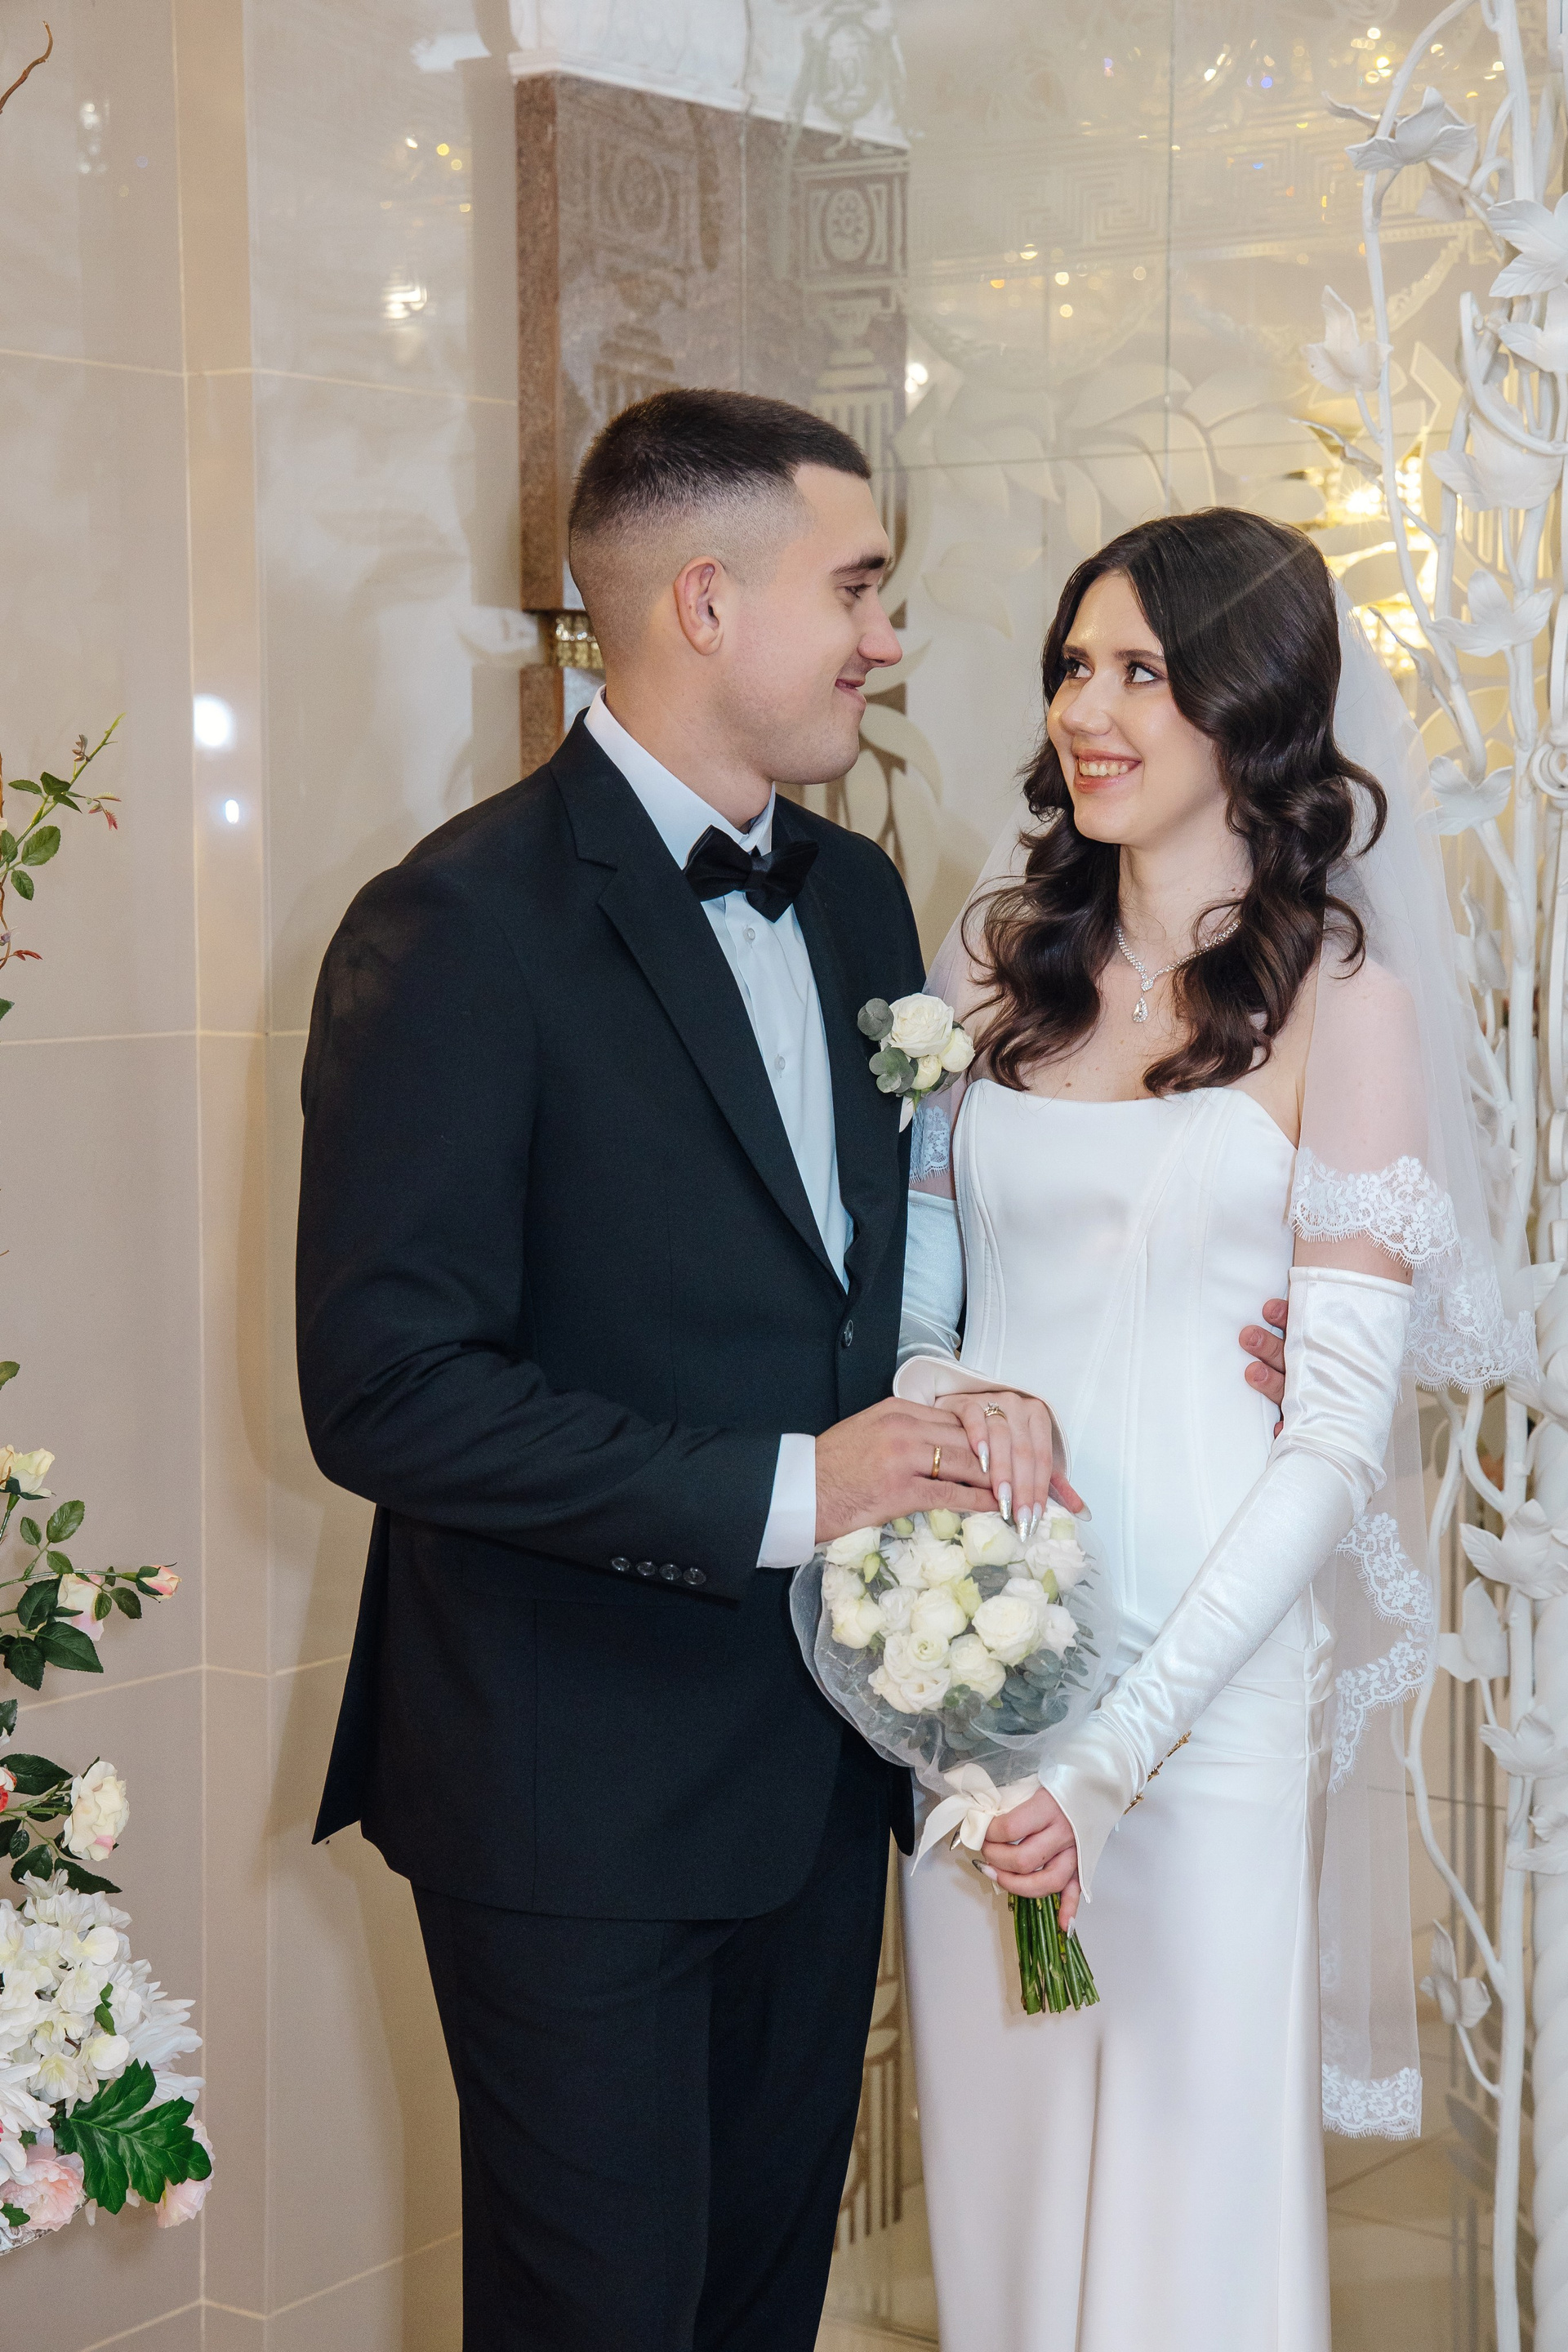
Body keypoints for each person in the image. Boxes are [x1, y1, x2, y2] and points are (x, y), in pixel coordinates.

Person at [296, 394, 1290, 2352]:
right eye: (856, 589)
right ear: (705, 601)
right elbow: (386, 1391)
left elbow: (889, 1260)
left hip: (820, 1773)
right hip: (565, 1792)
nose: (886, 639)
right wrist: (795, 1489)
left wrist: (1181, 1324)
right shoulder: (453, 925)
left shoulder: (854, 895)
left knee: (762, 2310)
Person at [892, 509, 1534, 2350]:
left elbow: (1329, 1438)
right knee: (1009, 2220)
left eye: (1141, 675)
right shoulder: (991, 966)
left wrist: (1116, 1762)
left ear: (1249, 708)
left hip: (1206, 1691)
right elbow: (914, 1324)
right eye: (1072, 668)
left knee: (1186, 2233)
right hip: (982, 1668)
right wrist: (946, 1413)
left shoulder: (1346, 1005)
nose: (1086, 712)